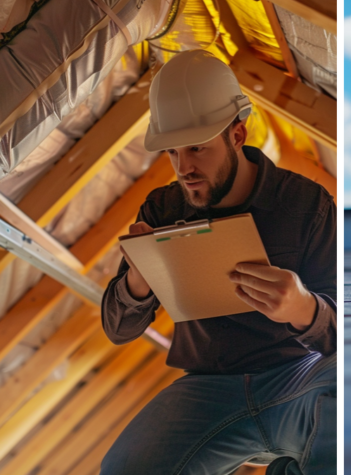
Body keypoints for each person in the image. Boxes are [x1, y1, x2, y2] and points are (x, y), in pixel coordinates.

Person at [99, 50, 336, 475]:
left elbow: (347, 336)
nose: (184, 168)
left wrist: (304, 308)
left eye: (197, 149)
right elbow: (118, 330)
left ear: (238, 134)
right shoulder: (162, 209)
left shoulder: (306, 204)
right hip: (206, 390)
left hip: (297, 381)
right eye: (172, 152)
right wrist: (138, 281)